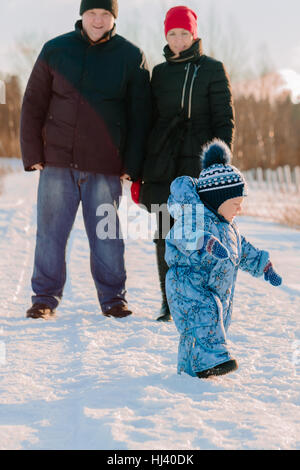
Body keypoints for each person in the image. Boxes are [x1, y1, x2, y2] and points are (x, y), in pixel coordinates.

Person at [20, 0, 151, 319]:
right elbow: (33, 104)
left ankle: (113, 300)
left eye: (105, 14)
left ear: (113, 18)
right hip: (57, 163)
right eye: (92, 12)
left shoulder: (131, 57)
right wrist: (33, 154)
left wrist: (132, 166)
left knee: (107, 235)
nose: (98, 19)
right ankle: (44, 299)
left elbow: (140, 117)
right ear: (82, 14)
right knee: (50, 233)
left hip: (105, 166)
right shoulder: (55, 49)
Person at [140, 6, 235, 322]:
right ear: (165, 36)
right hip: (162, 164)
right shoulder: (159, 73)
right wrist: (141, 172)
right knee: (165, 233)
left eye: (184, 33)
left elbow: (224, 122)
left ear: (193, 35)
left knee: (202, 234)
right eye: (172, 34)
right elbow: (149, 122)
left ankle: (207, 300)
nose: (178, 40)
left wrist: (219, 168)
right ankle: (171, 303)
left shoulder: (212, 69)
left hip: (198, 167)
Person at [165, 140, 282, 379]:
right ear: (219, 200)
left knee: (202, 329)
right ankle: (213, 362)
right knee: (206, 317)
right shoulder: (196, 218)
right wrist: (205, 242)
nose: (239, 210)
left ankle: (189, 371)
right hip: (187, 286)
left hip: (217, 291)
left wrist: (264, 266)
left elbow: (245, 251)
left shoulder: (231, 229)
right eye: (235, 204)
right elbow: (180, 235)